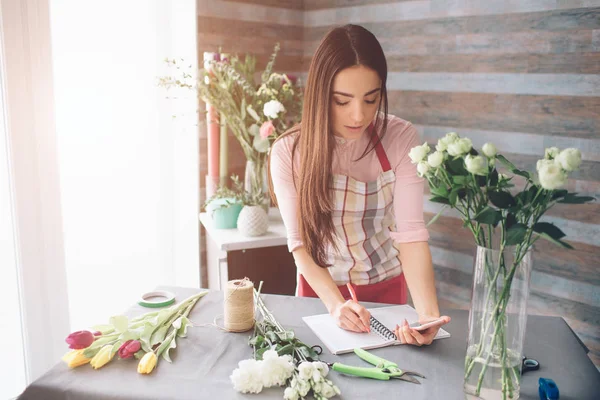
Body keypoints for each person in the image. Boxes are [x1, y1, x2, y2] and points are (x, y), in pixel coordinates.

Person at [269, 24, 450, 346]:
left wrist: (427, 316)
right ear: (320, 95)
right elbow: (300, 244)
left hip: (387, 286)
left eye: (371, 99)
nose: (358, 115)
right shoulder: (289, 151)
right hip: (320, 290)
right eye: (342, 101)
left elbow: (410, 234)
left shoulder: (400, 137)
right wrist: (335, 305)